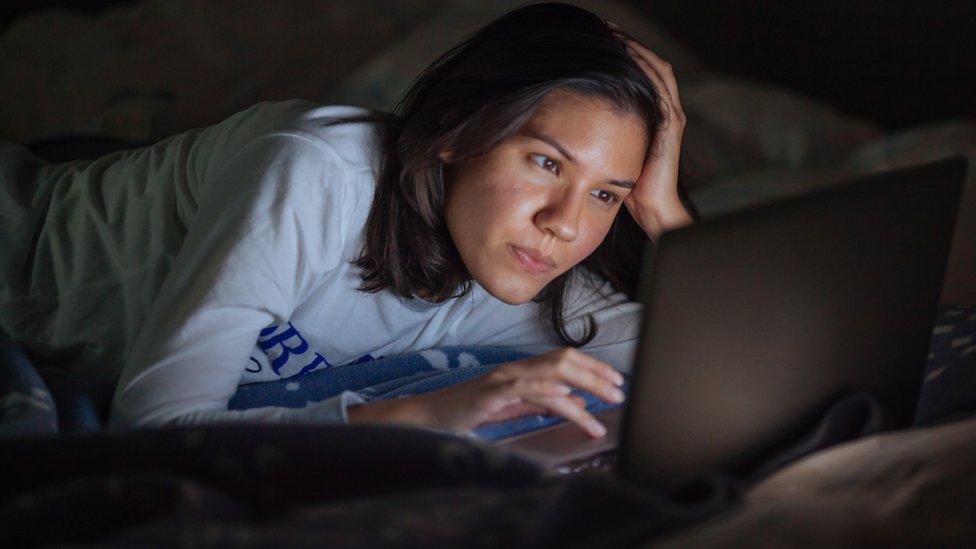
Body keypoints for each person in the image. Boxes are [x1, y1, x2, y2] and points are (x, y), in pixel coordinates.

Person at [0, 3, 696, 437]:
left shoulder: (532, 266)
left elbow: (711, 366)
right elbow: (155, 422)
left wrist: (662, 210)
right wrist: (427, 412)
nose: (566, 223)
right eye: (545, 163)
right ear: (457, 128)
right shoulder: (316, 172)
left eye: (607, 194)